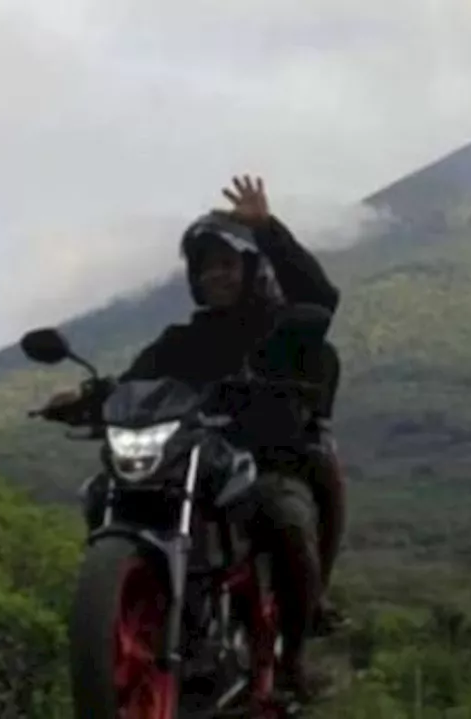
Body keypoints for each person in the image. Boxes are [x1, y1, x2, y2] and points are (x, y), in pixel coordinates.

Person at [45, 176, 347, 703]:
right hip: (193, 459)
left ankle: (294, 658)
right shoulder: (182, 340)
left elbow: (320, 298)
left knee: (288, 516)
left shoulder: (281, 327)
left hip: (264, 462)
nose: (216, 275)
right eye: (206, 267)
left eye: (227, 264)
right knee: (102, 491)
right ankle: (140, 610)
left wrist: (268, 229)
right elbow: (134, 383)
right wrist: (85, 397)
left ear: (250, 268)